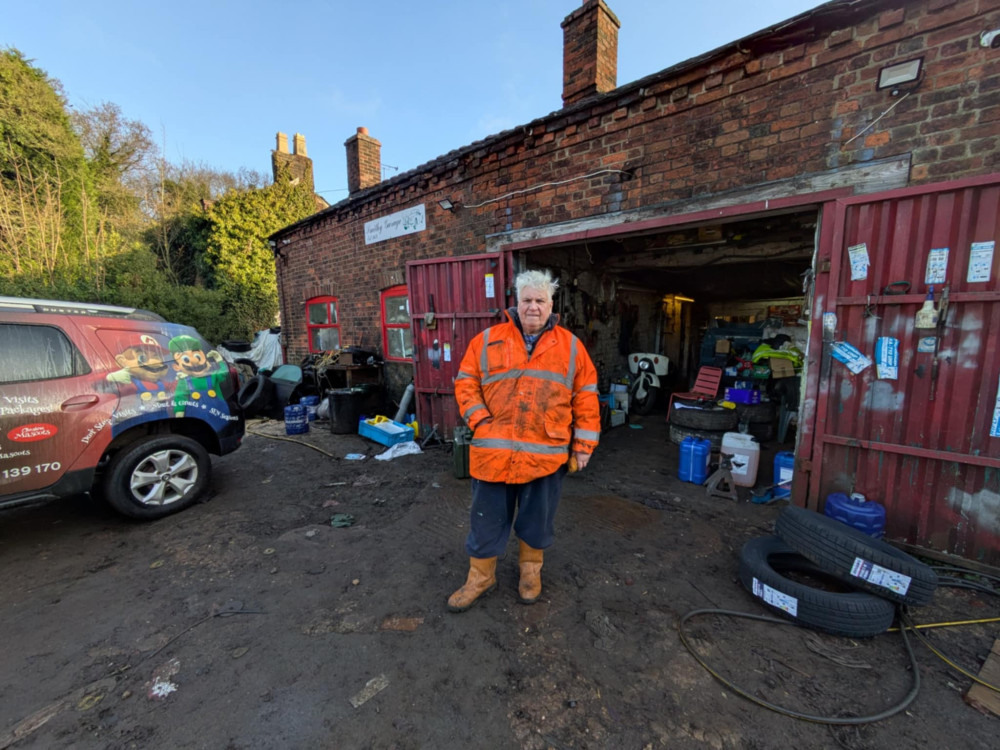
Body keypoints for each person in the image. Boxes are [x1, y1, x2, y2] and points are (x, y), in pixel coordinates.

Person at [449, 269, 601, 612]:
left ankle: (530, 573)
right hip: (493, 452)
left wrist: (584, 446)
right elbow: (465, 381)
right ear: (516, 304)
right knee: (485, 519)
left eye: (540, 301)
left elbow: (586, 397)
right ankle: (480, 577)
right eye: (527, 300)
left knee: (537, 520)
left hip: (545, 456)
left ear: (551, 305)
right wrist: (479, 418)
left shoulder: (572, 347)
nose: (533, 307)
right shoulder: (486, 340)